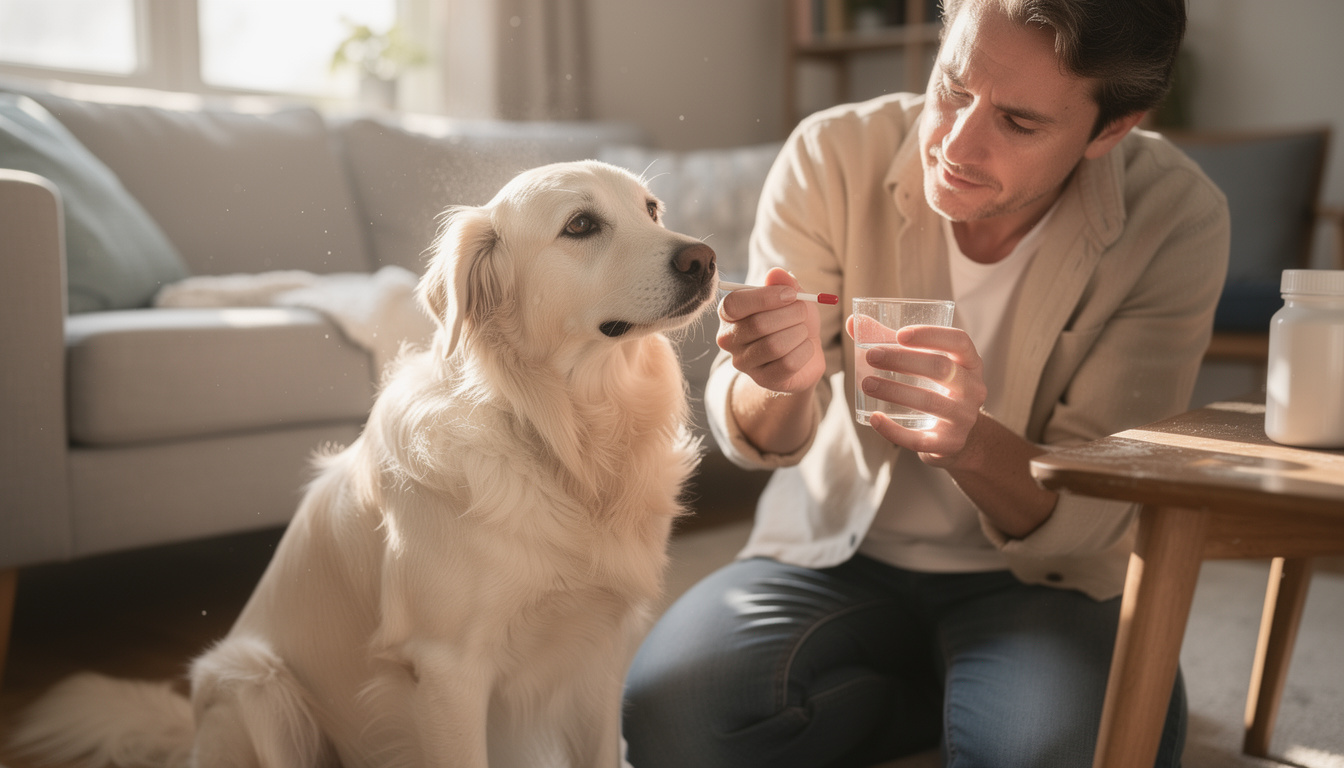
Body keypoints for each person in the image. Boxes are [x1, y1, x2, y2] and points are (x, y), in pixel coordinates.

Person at [623, 0, 1230, 766]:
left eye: (1019, 123)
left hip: (1047, 583)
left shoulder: (1176, 217)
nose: (955, 143)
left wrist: (971, 445)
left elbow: (1099, 510)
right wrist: (779, 380)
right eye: (953, 87)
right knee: (671, 719)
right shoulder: (832, 153)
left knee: (1068, 752)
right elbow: (758, 437)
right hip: (835, 552)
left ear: (1112, 129)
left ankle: (973, 694)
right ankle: (944, 700)